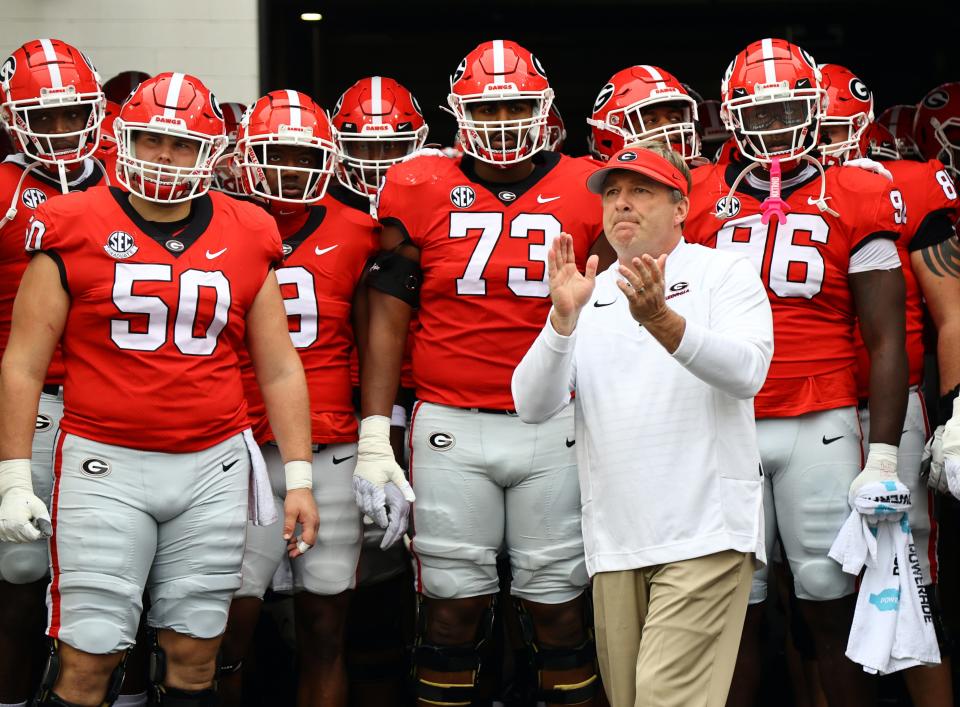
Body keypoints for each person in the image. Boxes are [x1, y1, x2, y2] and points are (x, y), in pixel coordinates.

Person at [0, 72, 319, 707]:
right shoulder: (69, 220)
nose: (164, 157)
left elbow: (279, 365)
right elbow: (23, 363)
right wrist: (12, 475)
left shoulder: (249, 228)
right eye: (149, 140)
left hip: (213, 463)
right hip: (104, 458)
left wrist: (302, 477)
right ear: (124, 141)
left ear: (211, 150)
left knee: (197, 654)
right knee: (88, 656)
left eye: (179, 143)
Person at [356, 39, 605, 706]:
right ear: (458, 113)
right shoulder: (418, 182)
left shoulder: (588, 186)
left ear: (545, 108)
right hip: (451, 422)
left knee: (559, 609)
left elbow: (616, 314)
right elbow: (388, 311)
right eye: (487, 106)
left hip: (554, 421)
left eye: (516, 104)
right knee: (449, 609)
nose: (501, 120)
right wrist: (376, 433)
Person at [683, 39, 908, 707]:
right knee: (731, 612)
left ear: (814, 111)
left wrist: (886, 453)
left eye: (789, 112)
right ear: (731, 116)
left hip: (822, 419)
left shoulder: (859, 189)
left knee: (828, 600)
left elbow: (885, 337)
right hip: (724, 421)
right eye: (763, 113)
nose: (777, 127)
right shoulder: (696, 195)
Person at [512, 144, 772, 707]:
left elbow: (748, 372)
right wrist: (561, 320)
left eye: (640, 191)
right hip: (615, 543)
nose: (621, 204)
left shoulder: (723, 271)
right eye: (612, 193)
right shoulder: (587, 291)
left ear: (681, 206)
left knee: (662, 698)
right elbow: (531, 404)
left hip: (706, 534)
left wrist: (662, 321)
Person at [219, 88, 380, 707]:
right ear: (246, 154)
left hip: (331, 443)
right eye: (274, 152)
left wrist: (378, 436)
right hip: (240, 443)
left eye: (301, 154)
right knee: (230, 624)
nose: (288, 167)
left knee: (325, 628)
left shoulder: (361, 232)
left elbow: (380, 339)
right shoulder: (218, 219)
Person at [820, 64, 960, 707]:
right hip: (799, 407)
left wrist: (955, 406)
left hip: (888, 401)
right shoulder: (749, 194)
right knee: (815, 585)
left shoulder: (905, 184)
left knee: (907, 569)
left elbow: (950, 310)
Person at [0, 37, 108, 707]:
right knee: (18, 577)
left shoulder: (130, 176)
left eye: (74, 114)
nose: (64, 130)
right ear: (13, 117)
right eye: (46, 116)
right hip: (31, 399)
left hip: (113, 402)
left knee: (113, 579)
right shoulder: (7, 189)